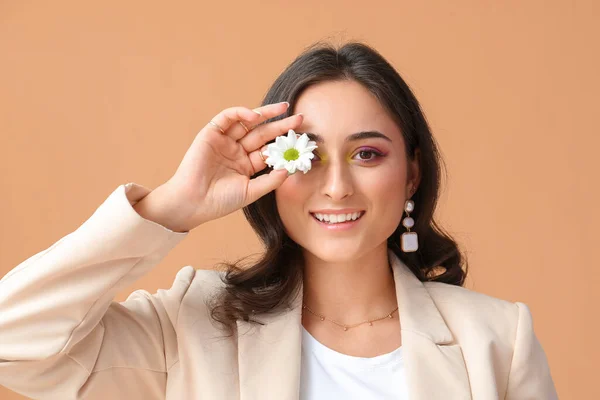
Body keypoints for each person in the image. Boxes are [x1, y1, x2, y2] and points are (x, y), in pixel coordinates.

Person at [0, 42, 557, 399]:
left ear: (411, 175)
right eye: (305, 155)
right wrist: (170, 205)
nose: (336, 186)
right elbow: (13, 343)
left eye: (367, 154)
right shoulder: (191, 327)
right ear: (271, 168)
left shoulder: (497, 341)